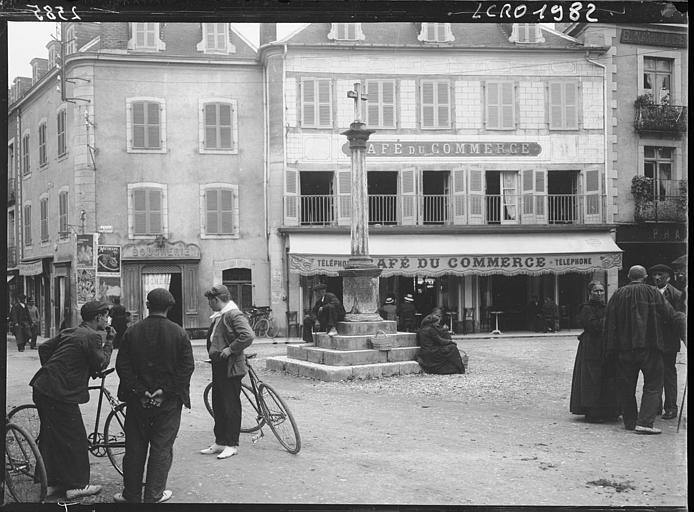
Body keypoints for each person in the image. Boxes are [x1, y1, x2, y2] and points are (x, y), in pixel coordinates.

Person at [114, 288, 194, 504]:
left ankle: (131, 495)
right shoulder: (179, 333)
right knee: (161, 448)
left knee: (134, 447)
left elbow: (122, 365)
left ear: (147, 305)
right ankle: (154, 496)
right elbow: (186, 368)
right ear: (169, 307)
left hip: (137, 402)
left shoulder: (132, 332)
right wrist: (164, 392)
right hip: (168, 403)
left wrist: (140, 392)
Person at [29, 300, 114, 500]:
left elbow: (44, 349)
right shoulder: (93, 336)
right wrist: (110, 341)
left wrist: (57, 370)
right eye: (105, 315)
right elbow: (101, 364)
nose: (107, 319)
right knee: (75, 438)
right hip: (59, 394)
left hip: (42, 386)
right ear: (98, 317)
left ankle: (51, 482)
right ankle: (76, 485)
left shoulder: (71, 331)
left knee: (52, 436)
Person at [604, 265, 686, 434]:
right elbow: (672, 315)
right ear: (646, 276)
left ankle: (630, 421)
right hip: (650, 347)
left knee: (626, 386)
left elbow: (609, 323)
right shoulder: (653, 292)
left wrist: (610, 349)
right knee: (654, 384)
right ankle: (645, 422)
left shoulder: (618, 294)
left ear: (628, 276)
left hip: (624, 349)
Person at [200, 284, 254, 459]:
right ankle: (220, 441)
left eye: (210, 300)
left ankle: (231, 444)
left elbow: (247, 335)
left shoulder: (233, 314)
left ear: (217, 299)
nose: (209, 304)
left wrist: (231, 349)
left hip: (230, 366)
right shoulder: (220, 315)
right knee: (219, 404)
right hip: (219, 365)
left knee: (230, 405)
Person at [569, 281, 620, 422]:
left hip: (605, 345)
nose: (599, 294)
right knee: (592, 378)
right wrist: (609, 320)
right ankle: (593, 412)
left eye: (601, 291)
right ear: (589, 293)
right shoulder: (586, 308)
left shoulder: (607, 307)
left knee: (607, 377)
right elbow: (593, 326)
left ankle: (609, 410)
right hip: (591, 346)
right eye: (596, 291)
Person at [648, 264, 685, 420]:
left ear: (668, 278)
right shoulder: (648, 292)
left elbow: (680, 320)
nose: (657, 278)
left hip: (668, 342)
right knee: (653, 374)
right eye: (655, 275)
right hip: (651, 341)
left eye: (661, 275)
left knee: (669, 374)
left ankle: (671, 407)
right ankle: (655, 406)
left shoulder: (676, 295)